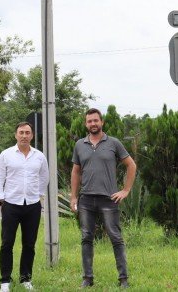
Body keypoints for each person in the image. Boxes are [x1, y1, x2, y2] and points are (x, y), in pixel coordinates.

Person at [70, 108, 137, 288]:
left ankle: (123, 279)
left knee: (115, 237)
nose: (93, 124)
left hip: (109, 200)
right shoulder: (79, 145)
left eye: (95, 121)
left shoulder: (113, 143)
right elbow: (76, 172)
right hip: (86, 200)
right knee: (86, 238)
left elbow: (131, 165)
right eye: (89, 121)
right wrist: (73, 197)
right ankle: (87, 278)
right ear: (86, 124)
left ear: (102, 122)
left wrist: (126, 190)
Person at [0, 122, 49, 292]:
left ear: (32, 136)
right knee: (7, 243)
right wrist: (1, 198)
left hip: (32, 205)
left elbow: (44, 177)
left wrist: (38, 195)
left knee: (29, 244)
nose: (24, 135)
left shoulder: (39, 156)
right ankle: (5, 281)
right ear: (16, 135)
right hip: (11, 204)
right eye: (21, 132)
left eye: (27, 132)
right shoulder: (6, 154)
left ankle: (26, 279)